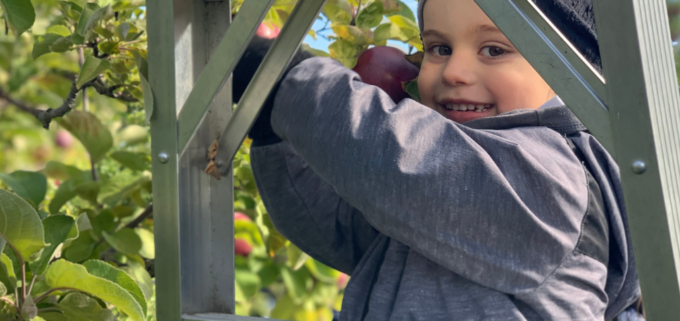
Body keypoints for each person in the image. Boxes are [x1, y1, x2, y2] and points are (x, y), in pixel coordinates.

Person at [231, 0, 644, 319]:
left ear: (577, 74)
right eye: (439, 48)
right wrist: (274, 131)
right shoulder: (431, 204)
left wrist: (286, 83)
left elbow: (404, 164)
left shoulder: (555, 176)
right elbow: (338, 226)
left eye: (495, 49)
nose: (454, 72)